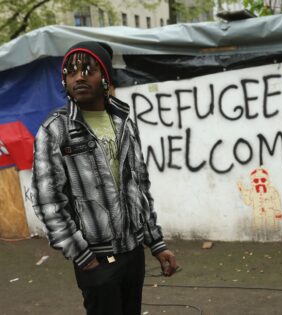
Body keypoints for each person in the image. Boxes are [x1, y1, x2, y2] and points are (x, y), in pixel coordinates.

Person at [31, 41, 177, 315]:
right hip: (95, 257)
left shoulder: (124, 124)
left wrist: (156, 243)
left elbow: (138, 187)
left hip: (133, 253)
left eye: (88, 70)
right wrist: (81, 254)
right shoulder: (55, 130)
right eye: (71, 72)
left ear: (105, 78)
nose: (79, 77)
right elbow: (47, 200)